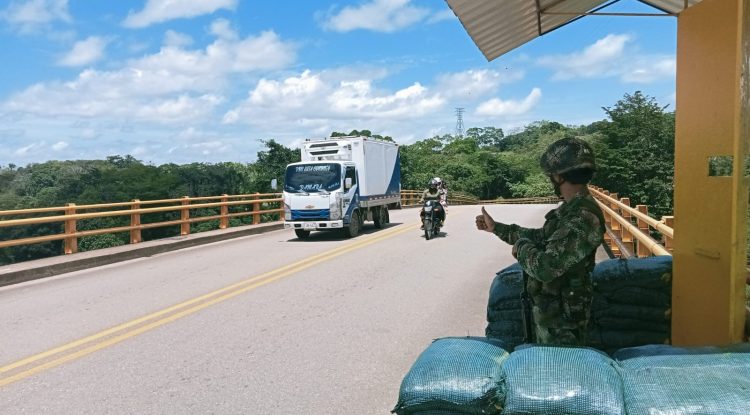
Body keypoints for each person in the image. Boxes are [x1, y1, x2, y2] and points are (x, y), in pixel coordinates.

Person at [475, 137, 605, 346]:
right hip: (553, 312)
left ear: (559, 176)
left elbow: (545, 267)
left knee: (557, 374)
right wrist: (497, 228)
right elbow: (541, 237)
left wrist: (522, 248)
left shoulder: (582, 217)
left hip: (564, 324)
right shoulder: (571, 209)